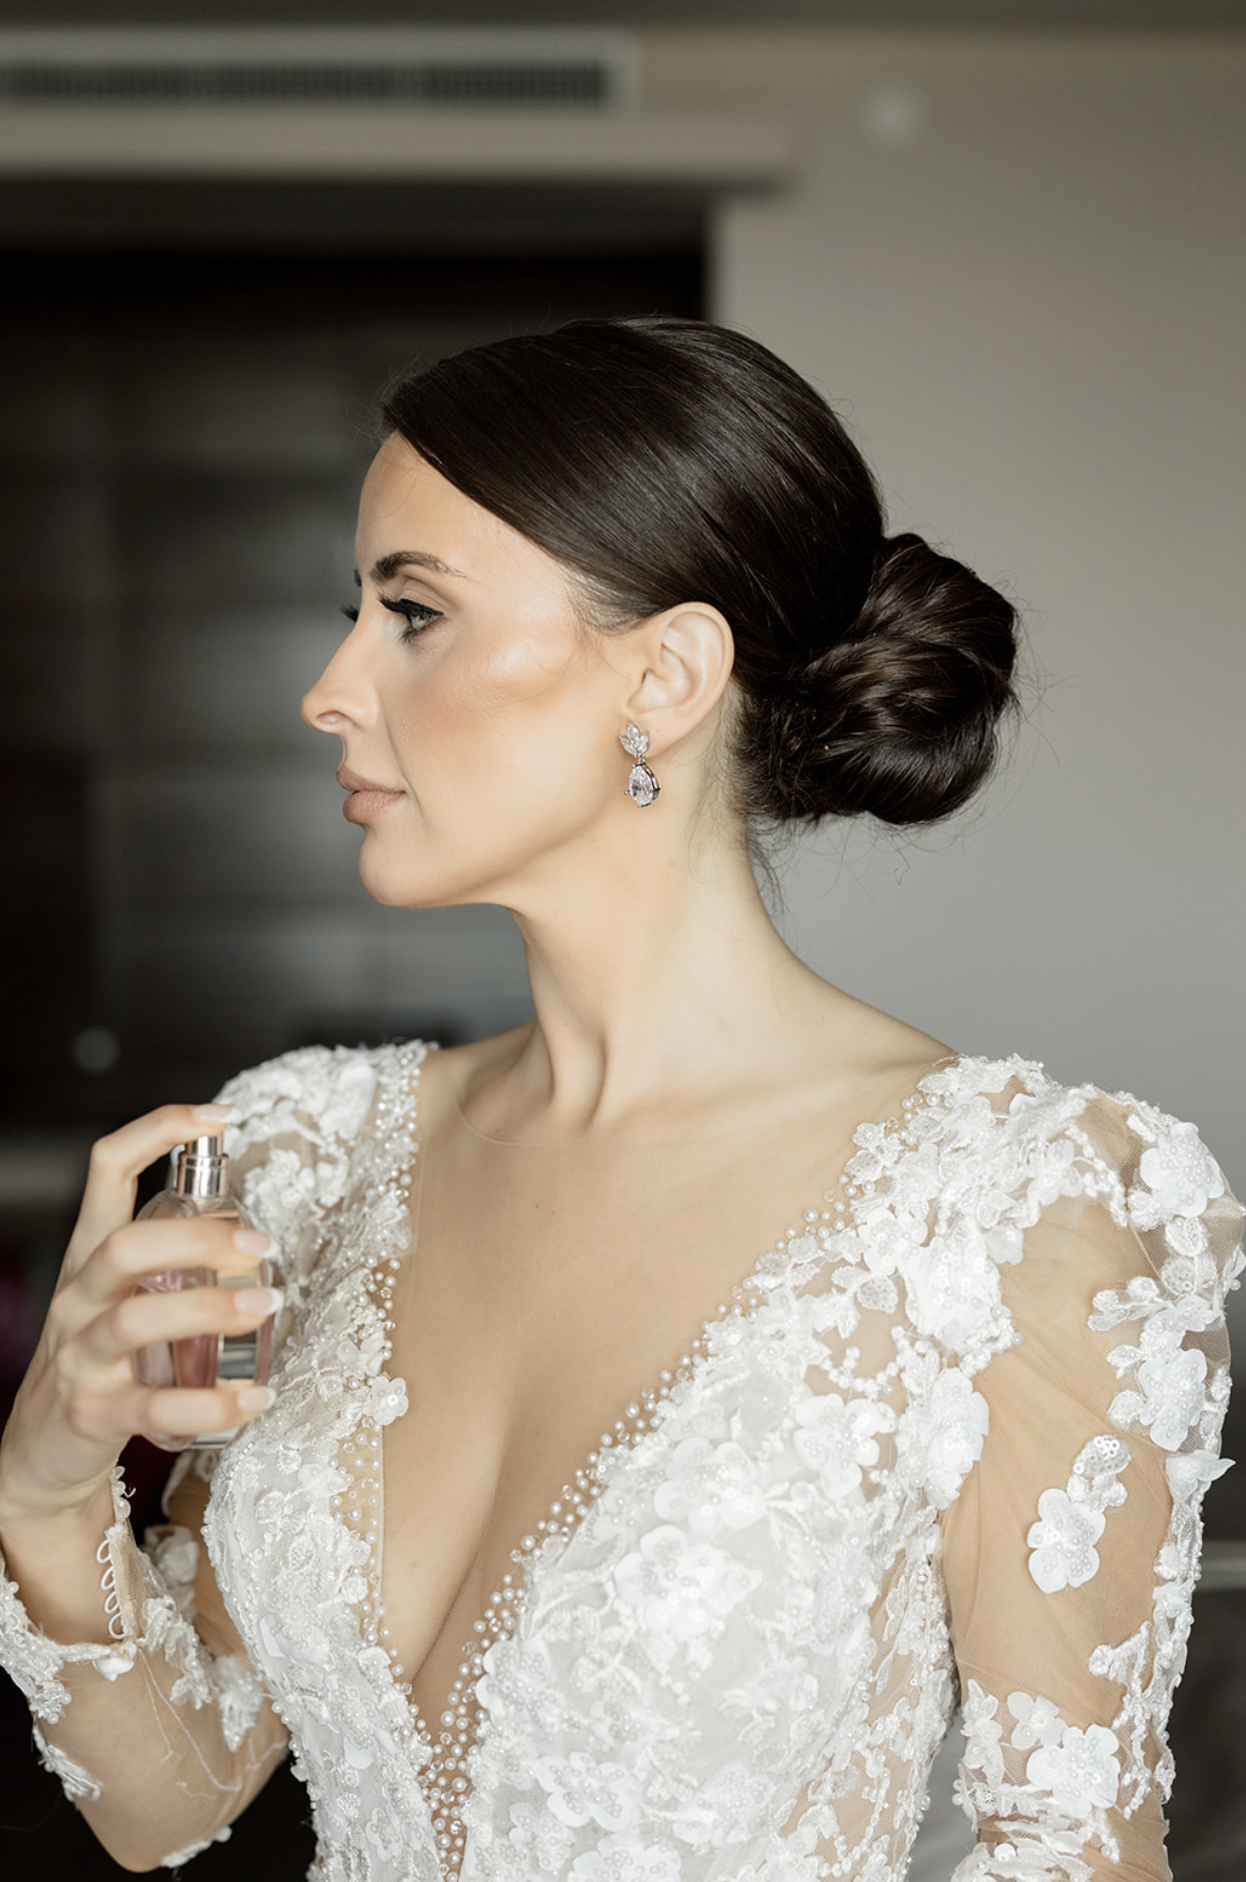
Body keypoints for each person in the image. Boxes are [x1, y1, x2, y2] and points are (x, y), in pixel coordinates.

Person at [0, 317, 1239, 1882]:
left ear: (662, 673)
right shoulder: (310, 1150)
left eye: (411, 613)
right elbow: (168, 1801)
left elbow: (1070, 1856)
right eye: (351, 611)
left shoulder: (1012, 1208)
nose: (328, 689)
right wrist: (46, 1479)